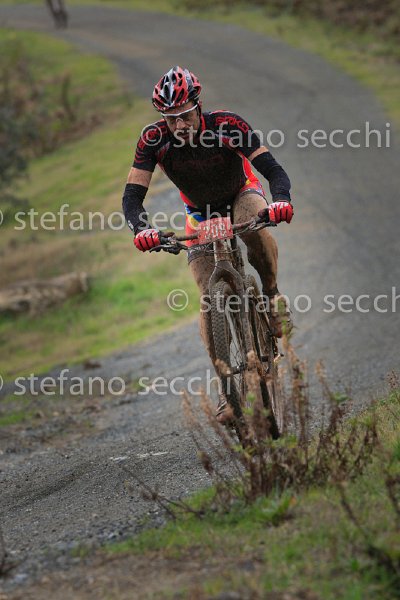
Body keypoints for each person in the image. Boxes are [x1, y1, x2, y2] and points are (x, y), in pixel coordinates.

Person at [122, 66, 293, 422]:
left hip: (241, 193)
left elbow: (273, 169)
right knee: (206, 295)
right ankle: (228, 389)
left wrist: (280, 200)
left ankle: (271, 292)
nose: (179, 125)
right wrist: (142, 230)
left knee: (252, 226)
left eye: (185, 115)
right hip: (199, 213)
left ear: (198, 106)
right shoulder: (153, 140)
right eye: (171, 119)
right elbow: (132, 196)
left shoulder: (228, 125)